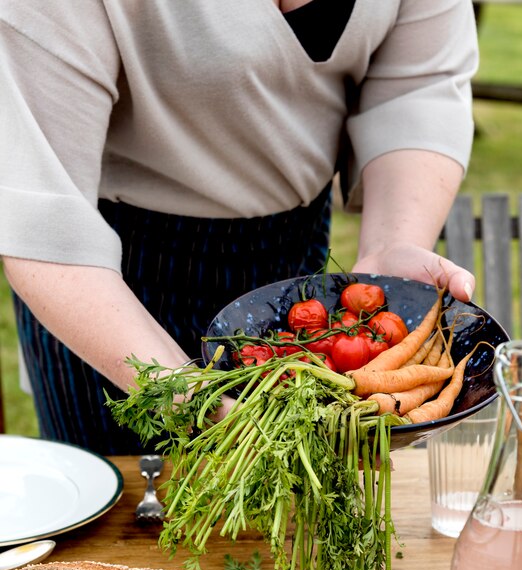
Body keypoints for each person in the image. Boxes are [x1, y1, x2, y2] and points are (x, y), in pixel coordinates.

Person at [0, 0, 478, 455]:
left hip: (293, 274)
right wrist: (190, 402)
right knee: (132, 519)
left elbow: (419, 87)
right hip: (110, 283)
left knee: (292, 521)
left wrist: (394, 242)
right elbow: (45, 207)